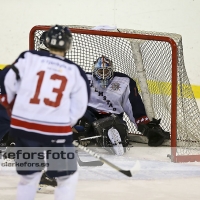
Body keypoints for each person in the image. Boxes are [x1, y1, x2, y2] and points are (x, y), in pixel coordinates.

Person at [0, 24, 90, 200]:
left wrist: (14, 108)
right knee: (67, 178)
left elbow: (7, 79)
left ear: (47, 41)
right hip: (55, 131)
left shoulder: (29, 57)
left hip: (23, 127)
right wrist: (64, 123)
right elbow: (79, 107)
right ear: (68, 44)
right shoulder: (75, 71)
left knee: (28, 177)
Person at [73, 55, 170, 155]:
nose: (103, 75)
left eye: (106, 71)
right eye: (100, 72)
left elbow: (134, 106)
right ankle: (76, 136)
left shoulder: (124, 81)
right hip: (89, 116)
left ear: (111, 71)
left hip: (111, 117)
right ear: (94, 71)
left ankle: (100, 136)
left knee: (117, 130)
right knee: (81, 119)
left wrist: (145, 127)